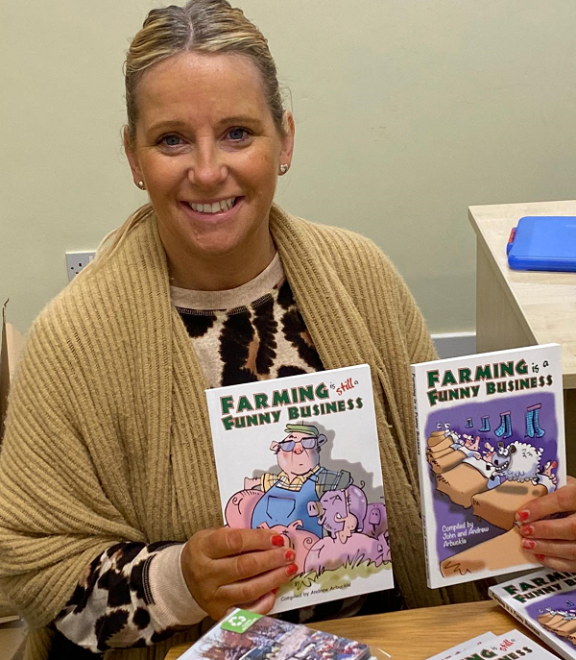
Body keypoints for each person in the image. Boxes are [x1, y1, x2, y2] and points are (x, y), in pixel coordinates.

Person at [0, 1, 574, 658]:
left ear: (287, 139)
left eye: (239, 132)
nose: (209, 169)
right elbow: (34, 580)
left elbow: (452, 499)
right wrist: (179, 582)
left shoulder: (362, 276)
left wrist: (537, 521)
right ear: (134, 155)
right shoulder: (74, 339)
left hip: (393, 639)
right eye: (172, 139)